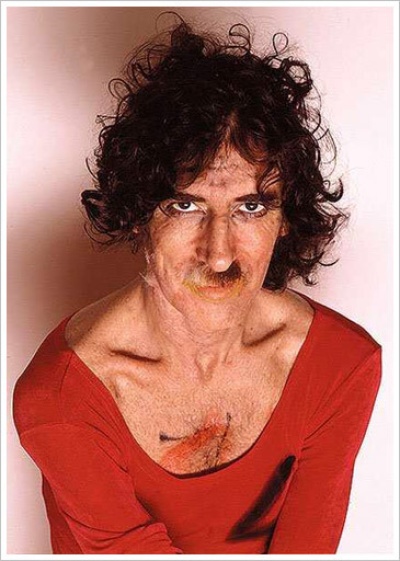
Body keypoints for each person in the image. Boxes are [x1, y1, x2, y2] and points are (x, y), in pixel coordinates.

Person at [13, 19, 381, 554]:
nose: (220, 254)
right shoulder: (64, 396)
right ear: (139, 214)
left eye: (251, 207)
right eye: (185, 205)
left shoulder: (341, 365)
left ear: (286, 219)